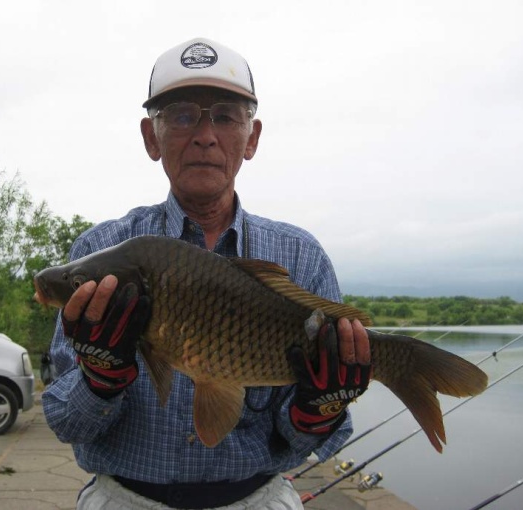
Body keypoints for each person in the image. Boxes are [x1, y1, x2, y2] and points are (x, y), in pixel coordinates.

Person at [43, 37, 371, 510]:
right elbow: (65, 423)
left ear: (251, 137)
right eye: (180, 115)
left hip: (257, 497)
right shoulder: (99, 250)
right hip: (124, 498)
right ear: (150, 137)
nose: (204, 135)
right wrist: (99, 379)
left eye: (224, 115)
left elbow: (307, 442)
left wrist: (318, 408)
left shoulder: (301, 257)